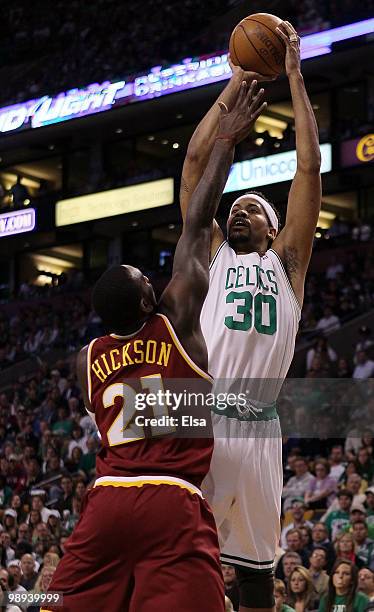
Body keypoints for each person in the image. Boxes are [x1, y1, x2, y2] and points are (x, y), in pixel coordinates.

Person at [42, 81, 265, 612]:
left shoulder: (85, 360)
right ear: (149, 302)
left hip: (108, 506)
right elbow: (195, 224)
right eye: (147, 278)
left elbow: (136, 402)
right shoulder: (176, 323)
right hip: (171, 500)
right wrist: (227, 143)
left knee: (47, 599)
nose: (153, 278)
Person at [181, 19, 321, 610]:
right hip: (205, 417)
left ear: (273, 227)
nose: (238, 212)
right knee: (186, 560)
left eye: (252, 208)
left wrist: (293, 76)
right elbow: (193, 164)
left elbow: (309, 171)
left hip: (260, 427)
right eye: (233, 207)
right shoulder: (211, 257)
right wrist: (232, 85)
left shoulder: (288, 266)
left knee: (258, 573)